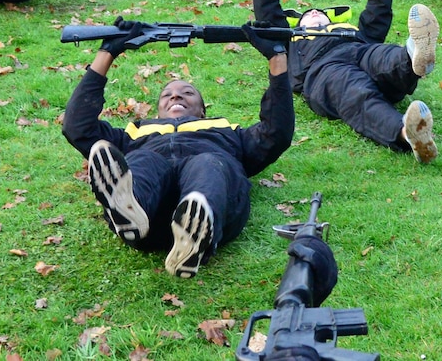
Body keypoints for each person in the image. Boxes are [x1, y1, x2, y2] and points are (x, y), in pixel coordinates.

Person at [62, 19, 294, 278]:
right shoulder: (133, 133)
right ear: (157, 111)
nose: (175, 96)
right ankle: (130, 209)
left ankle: (197, 231)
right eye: (167, 94)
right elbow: (77, 127)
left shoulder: (228, 132)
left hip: (215, 211)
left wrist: (277, 60)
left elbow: (277, 132)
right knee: (143, 161)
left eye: (187, 93)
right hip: (150, 219)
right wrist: (107, 53)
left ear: (203, 110)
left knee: (209, 164)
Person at [252, 0, 440, 162]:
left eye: (319, 12)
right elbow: (267, 12)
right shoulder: (290, 42)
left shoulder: (351, 31)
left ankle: (414, 56)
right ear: (297, 25)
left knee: (384, 56)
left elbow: (378, 10)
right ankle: (407, 133)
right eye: (307, 15)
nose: (314, 13)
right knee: (356, 94)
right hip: (324, 71)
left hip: (360, 50)